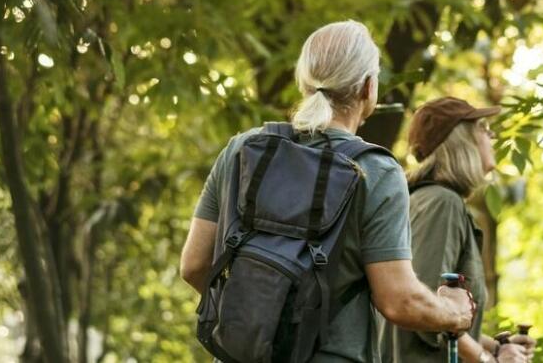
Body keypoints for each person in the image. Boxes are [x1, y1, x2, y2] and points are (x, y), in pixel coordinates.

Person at [180, 21, 474, 362]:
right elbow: (399, 301)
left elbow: (194, 265)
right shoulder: (376, 171)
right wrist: (456, 313)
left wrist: (262, 318)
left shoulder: (243, 150)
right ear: (368, 87)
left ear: (304, 81)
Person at [381, 97, 536, 363]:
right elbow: (425, 311)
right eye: (484, 128)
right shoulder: (441, 203)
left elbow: (447, 317)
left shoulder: (432, 201)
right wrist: (489, 361)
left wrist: (497, 347)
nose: (492, 135)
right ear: (462, 140)